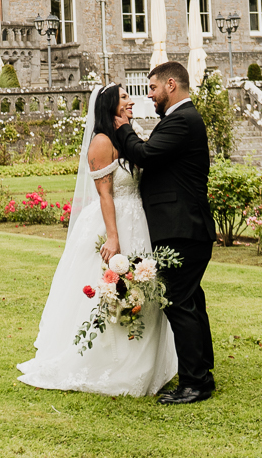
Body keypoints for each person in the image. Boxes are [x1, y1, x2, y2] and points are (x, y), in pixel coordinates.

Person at [17, 82, 180, 395]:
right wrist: (113, 239)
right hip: (114, 222)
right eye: (123, 97)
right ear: (110, 106)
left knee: (142, 288)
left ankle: (144, 363)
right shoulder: (102, 143)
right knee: (112, 290)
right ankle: (107, 362)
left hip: (139, 221)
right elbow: (105, 195)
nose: (131, 100)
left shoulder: (126, 135)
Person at [111, 60, 217, 405]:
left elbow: (146, 155)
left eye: (153, 88)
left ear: (171, 85)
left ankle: (194, 384)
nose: (150, 95)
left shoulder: (183, 120)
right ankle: (202, 372)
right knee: (192, 301)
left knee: (179, 303)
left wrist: (123, 127)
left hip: (183, 227)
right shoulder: (179, 120)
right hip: (185, 226)